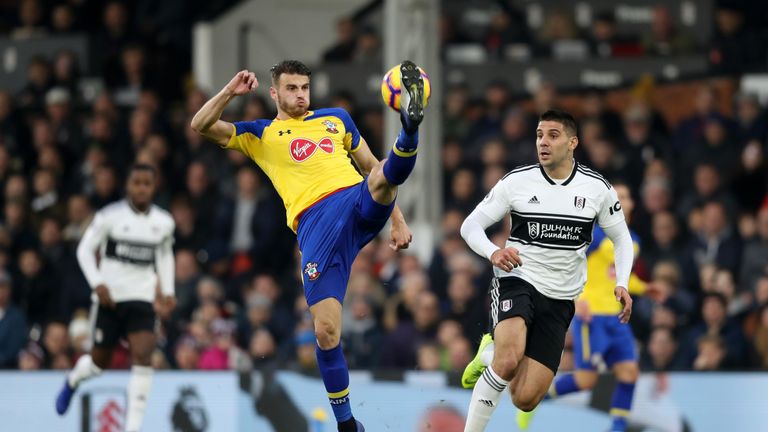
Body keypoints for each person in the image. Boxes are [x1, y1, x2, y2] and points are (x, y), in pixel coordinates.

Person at [189, 59, 426, 432]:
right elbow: (200, 125)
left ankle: (409, 128)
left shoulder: (336, 119)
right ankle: (347, 423)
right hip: (315, 227)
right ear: (275, 93)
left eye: (304, 88)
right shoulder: (261, 134)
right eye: (292, 89)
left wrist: (397, 221)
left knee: (382, 176)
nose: (300, 95)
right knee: (326, 330)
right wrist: (228, 93)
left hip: (355, 201)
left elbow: (371, 166)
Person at [458, 110, 634, 431]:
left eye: (553, 135)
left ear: (572, 143)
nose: (543, 142)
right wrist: (494, 251)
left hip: (561, 297)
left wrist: (622, 282)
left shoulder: (596, 188)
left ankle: (488, 354)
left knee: (524, 397)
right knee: (509, 361)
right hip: (517, 279)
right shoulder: (517, 181)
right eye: (539, 135)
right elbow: (470, 226)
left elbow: (621, 238)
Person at [516, 181, 649, 431]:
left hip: (617, 317)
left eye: (626, 196)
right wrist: (579, 299)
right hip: (593, 318)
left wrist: (644, 288)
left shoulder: (633, 239)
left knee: (629, 372)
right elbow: (571, 265)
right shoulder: (596, 235)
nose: (622, 201)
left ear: (631, 204)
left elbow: (618, 274)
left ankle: (617, 428)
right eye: (617, 196)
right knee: (586, 380)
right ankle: (536, 400)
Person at [55, 164, 176, 432]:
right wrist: (98, 283)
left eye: (147, 183)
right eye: (137, 182)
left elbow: (165, 255)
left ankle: (132, 428)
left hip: (142, 299)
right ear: (128, 186)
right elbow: (84, 250)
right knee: (99, 364)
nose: (142, 188)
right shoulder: (109, 217)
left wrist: (168, 291)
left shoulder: (164, 222)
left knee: (144, 356)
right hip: (110, 300)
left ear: (154, 187)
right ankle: (73, 379)